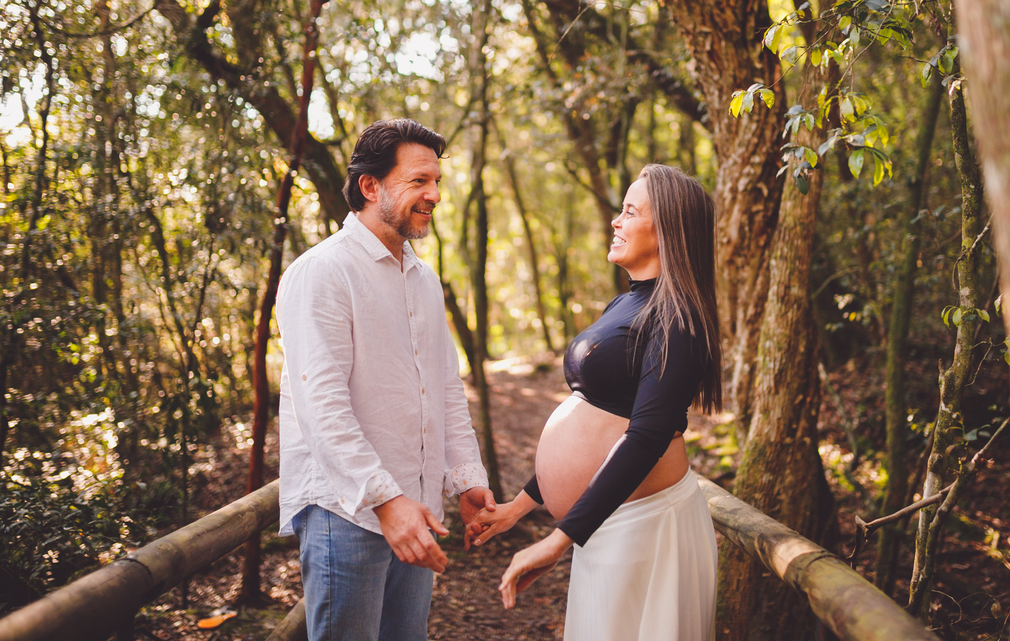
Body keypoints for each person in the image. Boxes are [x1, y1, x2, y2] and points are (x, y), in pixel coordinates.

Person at [467, 163, 723, 641]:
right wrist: (518, 508)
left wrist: (559, 539)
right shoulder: (626, 303)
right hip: (606, 524)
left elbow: (645, 437)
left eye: (629, 211)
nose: (615, 221)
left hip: (646, 529)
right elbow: (595, 425)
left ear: (667, 229)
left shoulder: (679, 319)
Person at [276, 118, 495, 641]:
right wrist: (385, 501)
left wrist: (466, 478)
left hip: (418, 509)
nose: (434, 195)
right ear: (371, 186)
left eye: (436, 182)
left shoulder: (423, 278)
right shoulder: (322, 272)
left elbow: (443, 389)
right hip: (346, 513)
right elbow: (321, 403)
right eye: (418, 181)